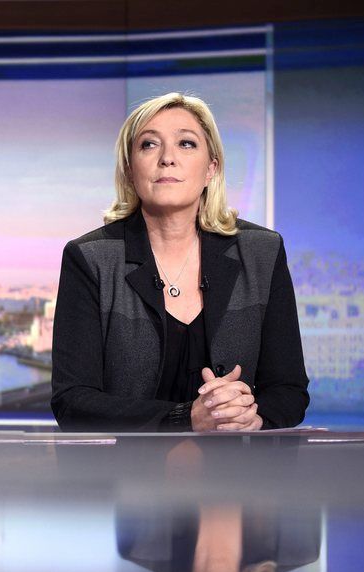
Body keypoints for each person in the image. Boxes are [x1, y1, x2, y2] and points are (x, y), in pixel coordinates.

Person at [51, 92, 309, 432]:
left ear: (211, 169)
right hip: (125, 474)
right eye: (148, 145)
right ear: (129, 170)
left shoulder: (262, 252)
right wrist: (187, 418)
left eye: (186, 144)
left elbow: (289, 391)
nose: (167, 158)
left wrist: (250, 414)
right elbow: (71, 401)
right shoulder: (90, 258)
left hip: (237, 474)